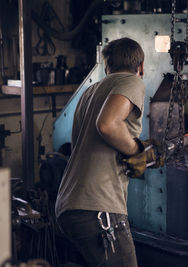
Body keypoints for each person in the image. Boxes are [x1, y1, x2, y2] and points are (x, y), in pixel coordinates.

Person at [55, 37, 162, 267]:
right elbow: (107, 125)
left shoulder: (91, 92)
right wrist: (137, 150)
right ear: (141, 67)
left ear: (107, 66)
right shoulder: (132, 81)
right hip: (98, 211)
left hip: (69, 205)